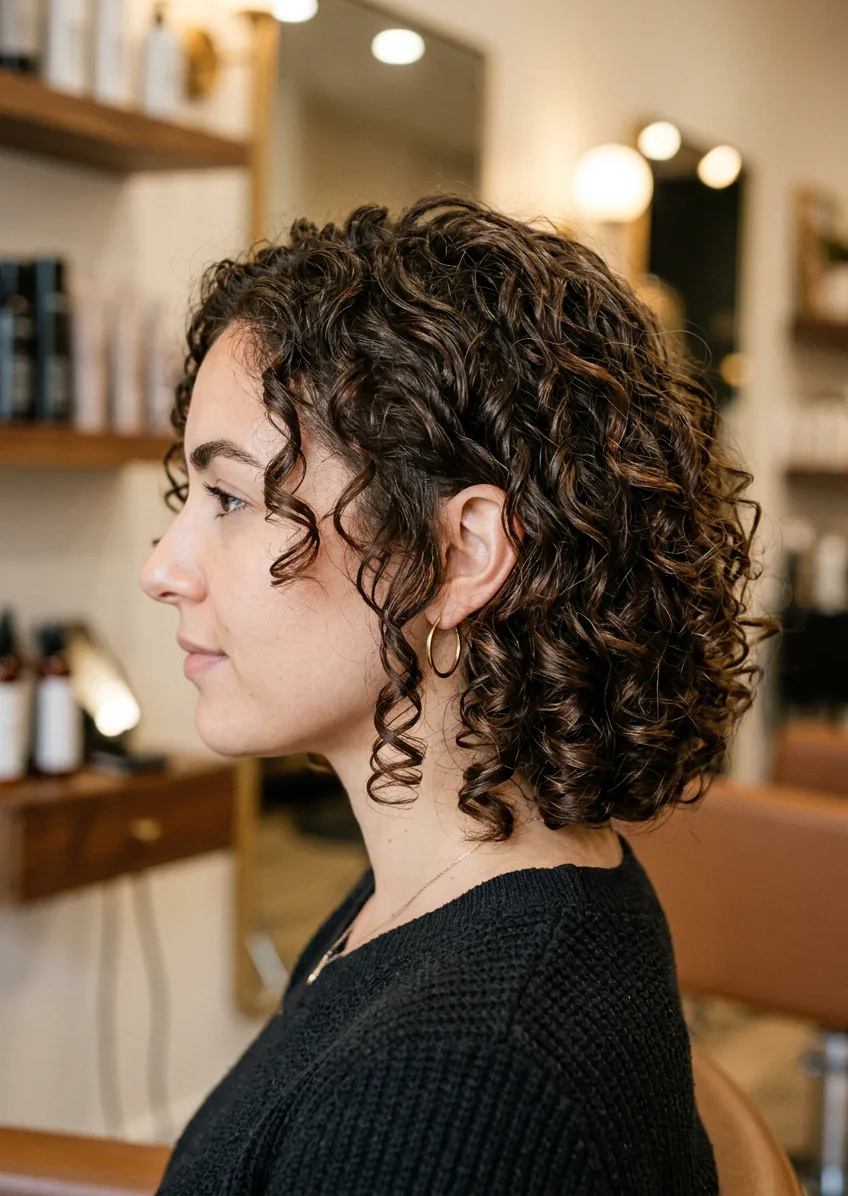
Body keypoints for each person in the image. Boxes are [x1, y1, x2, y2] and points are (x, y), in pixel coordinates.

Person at [141, 194, 773, 1194]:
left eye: (228, 498)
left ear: (462, 550)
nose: (163, 567)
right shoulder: (437, 895)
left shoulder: (459, 1090)